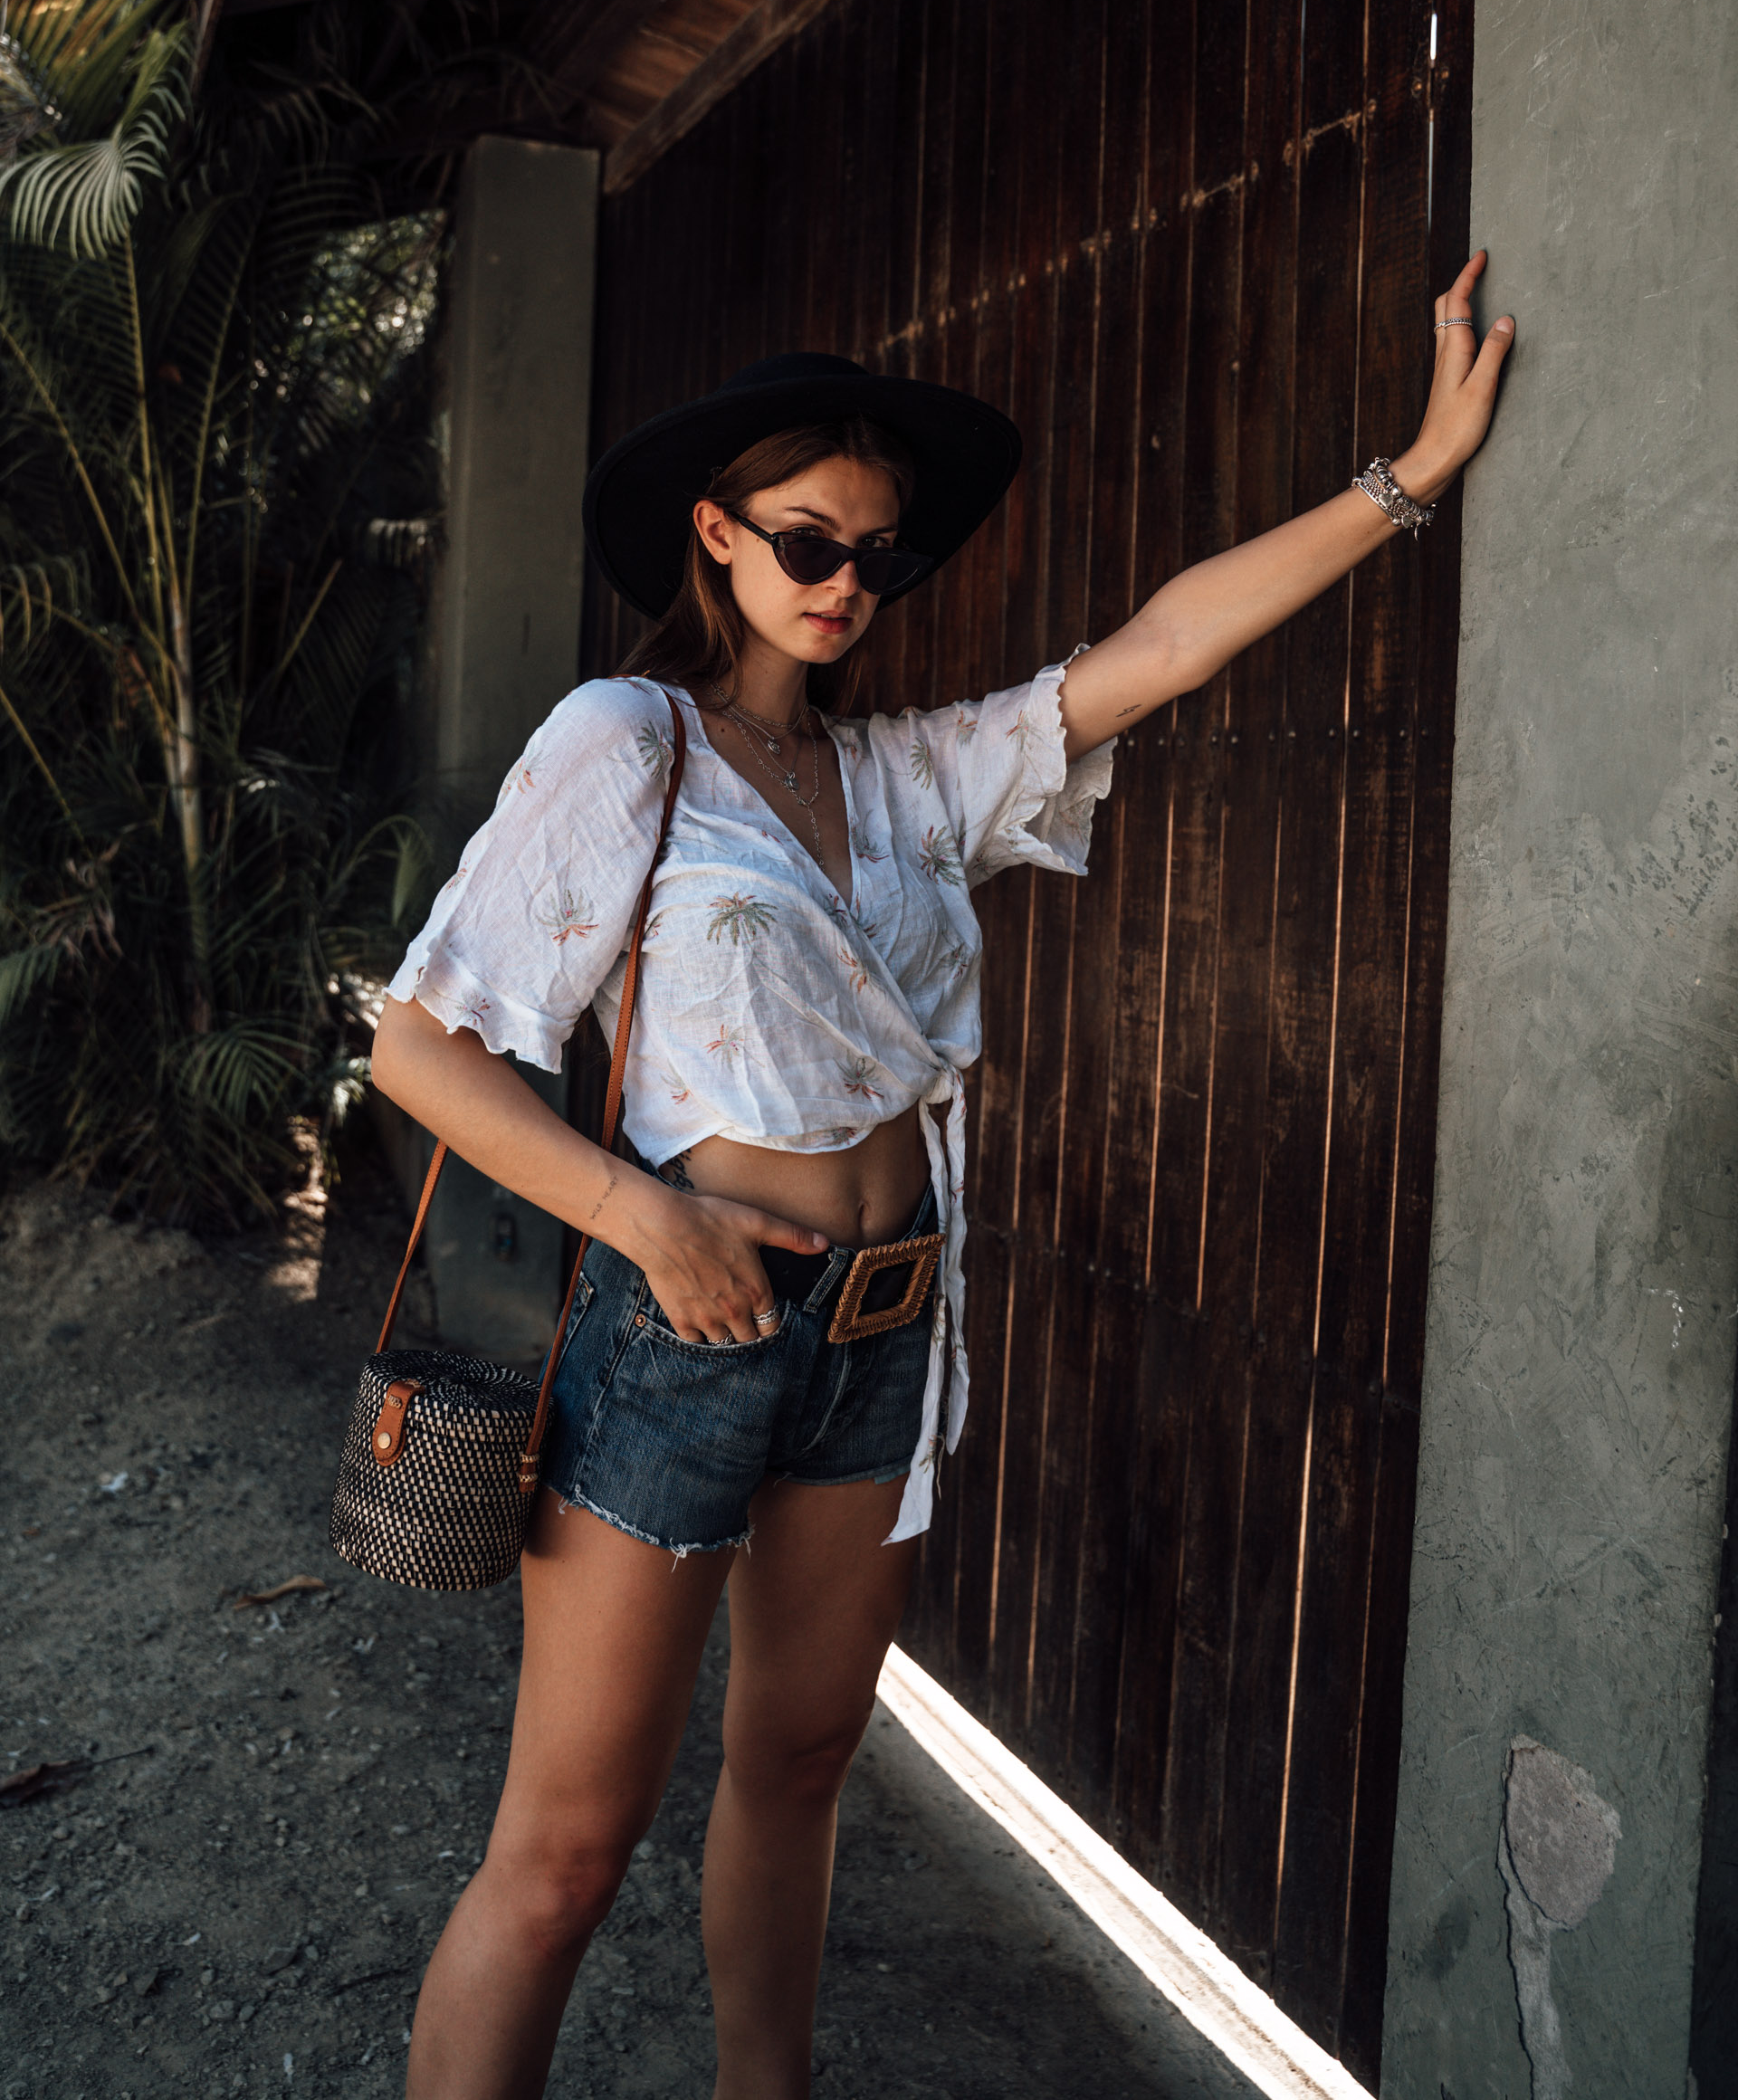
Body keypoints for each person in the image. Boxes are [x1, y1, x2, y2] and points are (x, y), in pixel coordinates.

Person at [370, 254, 1514, 2099]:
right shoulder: (628, 746)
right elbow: (418, 1042)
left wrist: (1413, 476)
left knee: (804, 1766)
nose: (848, 589)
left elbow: (1154, 653)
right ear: (716, 539)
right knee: (569, 1853)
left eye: (881, 557)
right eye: (809, 545)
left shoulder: (903, 780)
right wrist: (643, 1214)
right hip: (683, 1325)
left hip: (883, 1334)